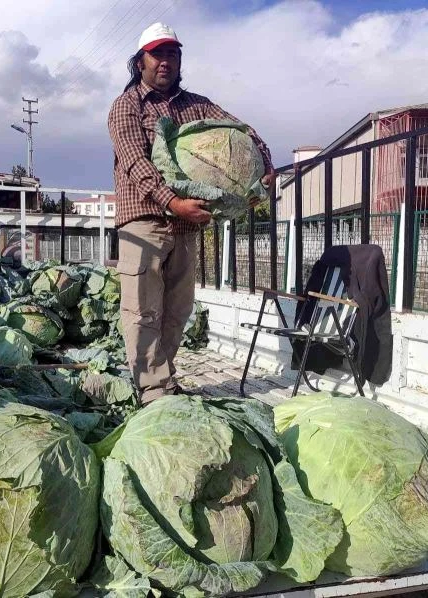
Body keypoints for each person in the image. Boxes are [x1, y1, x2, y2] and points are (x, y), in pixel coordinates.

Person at [108, 22, 276, 405]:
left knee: (177, 311)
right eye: (157, 54)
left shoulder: (197, 105)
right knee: (142, 310)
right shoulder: (127, 106)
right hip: (145, 222)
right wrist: (172, 201)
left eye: (172, 53)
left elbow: (243, 132)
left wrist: (265, 164)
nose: (165, 61)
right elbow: (136, 162)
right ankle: (151, 391)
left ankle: (164, 381)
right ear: (140, 62)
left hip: (187, 225)